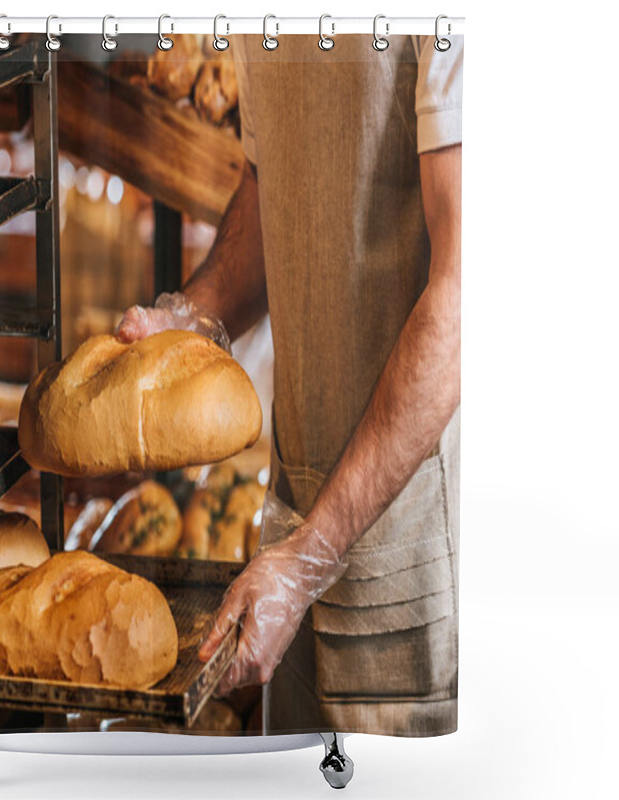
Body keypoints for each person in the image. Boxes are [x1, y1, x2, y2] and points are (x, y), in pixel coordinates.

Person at [117, 33, 463, 737]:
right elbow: (272, 180)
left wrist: (312, 558)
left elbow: (465, 300)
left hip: (409, 559)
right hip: (290, 533)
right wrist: (196, 314)